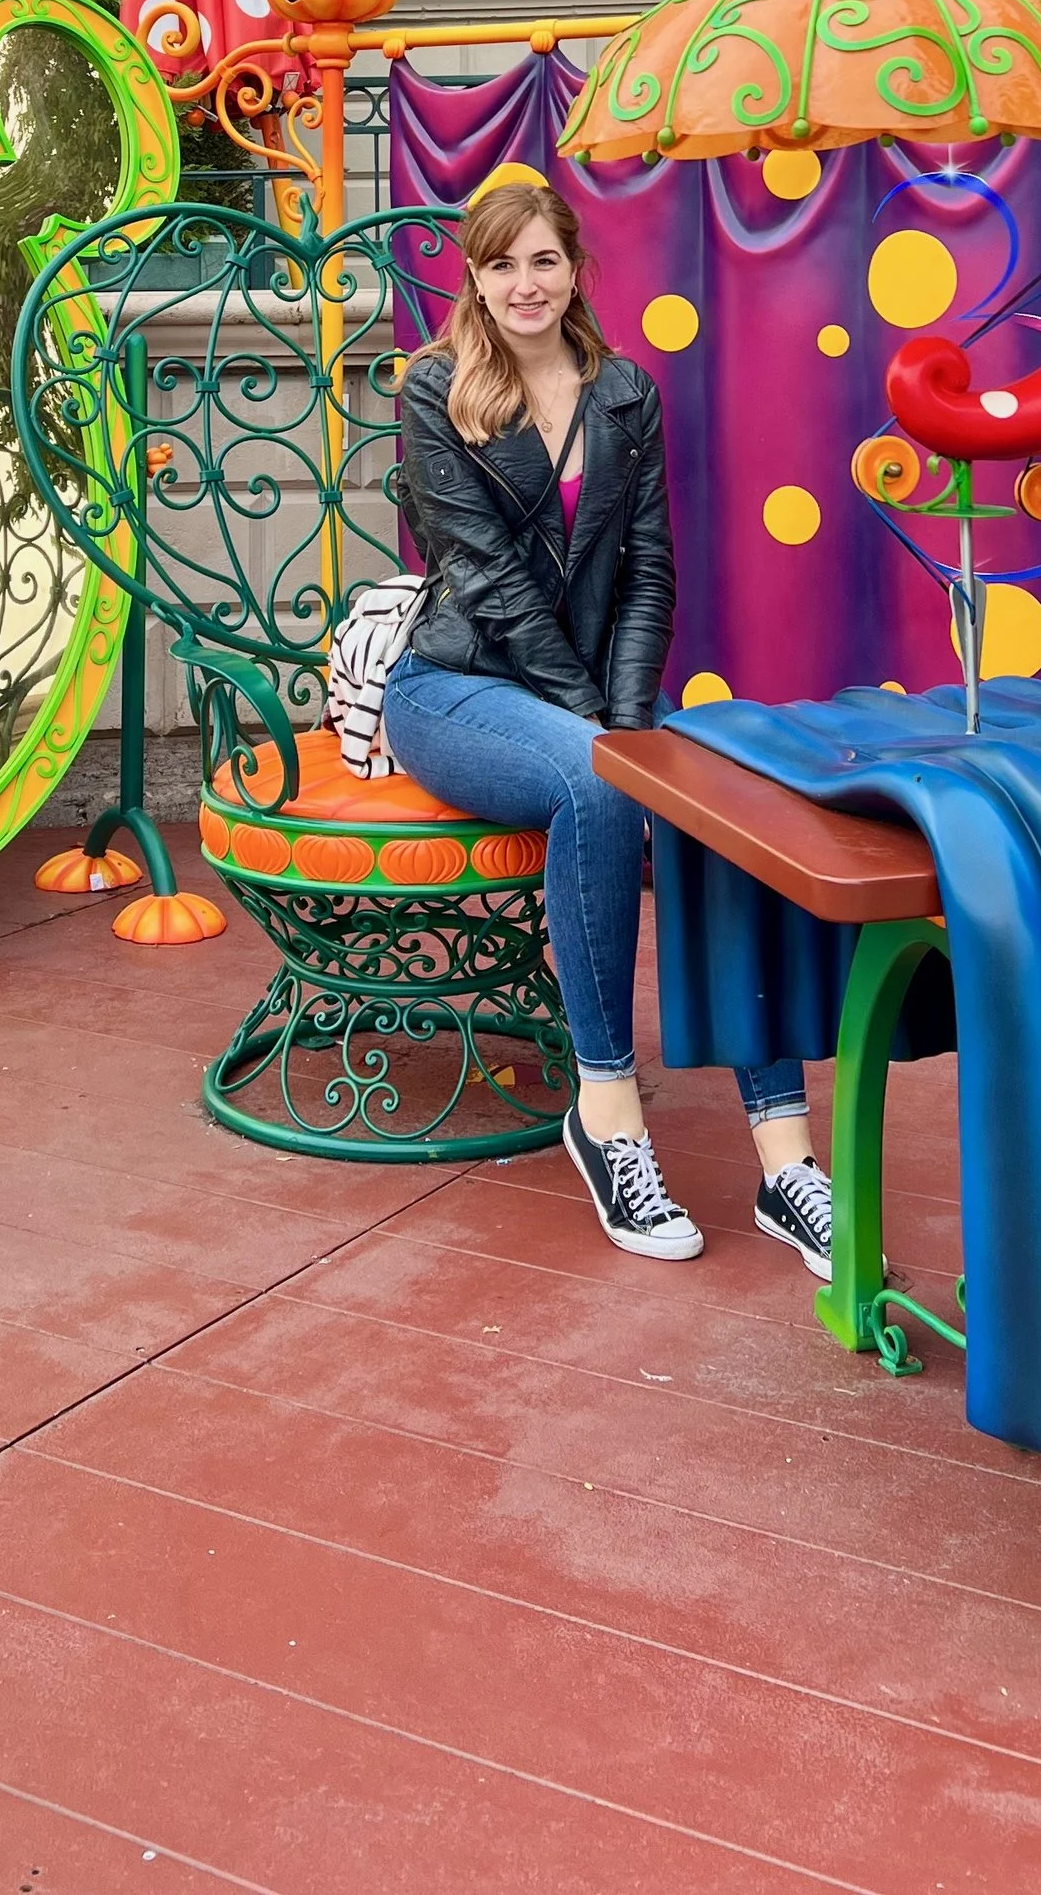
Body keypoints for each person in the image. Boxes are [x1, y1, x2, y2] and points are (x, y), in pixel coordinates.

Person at [384, 179, 833, 1271]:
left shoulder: (624, 394)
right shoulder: (436, 389)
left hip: (587, 698)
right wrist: (604, 735)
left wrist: (628, 721)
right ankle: (608, 1116)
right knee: (599, 782)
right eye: (501, 266)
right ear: (475, 281)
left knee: (717, 790)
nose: (523, 286)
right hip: (455, 686)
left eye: (542, 261)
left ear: (574, 269)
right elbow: (485, 580)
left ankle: (784, 1158)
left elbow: (648, 576)